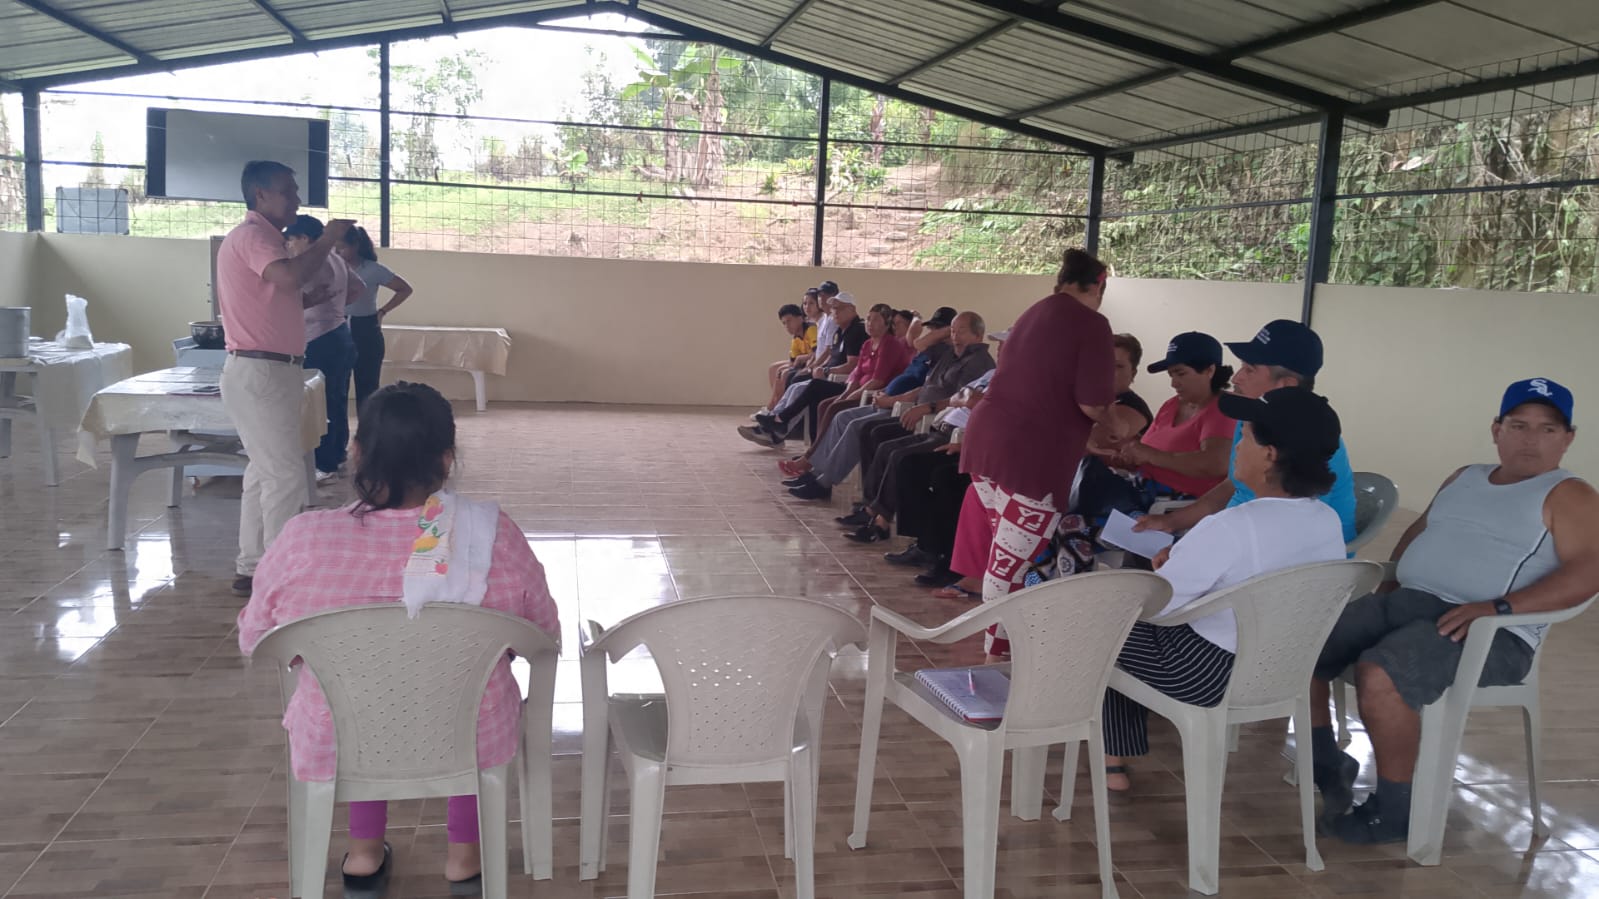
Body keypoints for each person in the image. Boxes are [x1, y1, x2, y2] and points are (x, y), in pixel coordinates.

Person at [237, 382, 561, 893]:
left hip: (340, 733)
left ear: (357, 451)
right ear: (447, 460)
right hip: (467, 731)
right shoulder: (494, 535)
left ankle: (364, 855)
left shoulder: (303, 539)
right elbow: (542, 635)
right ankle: (464, 859)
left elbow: (255, 637)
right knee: (467, 696)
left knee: (363, 697)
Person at [1309, 378, 1599, 845]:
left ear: (1568, 438)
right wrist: (1388, 588)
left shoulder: (1569, 494)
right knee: (1302, 637)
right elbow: (1421, 532)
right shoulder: (1465, 476)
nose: (1531, 439)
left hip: (1492, 630)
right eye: (1519, 425)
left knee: (1383, 672)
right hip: (1412, 600)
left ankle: (1396, 811)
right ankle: (1326, 761)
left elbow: (1589, 572)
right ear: (1496, 429)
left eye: (1547, 429)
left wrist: (1499, 606)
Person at [1102, 388, 1348, 791]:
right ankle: (1114, 755)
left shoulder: (1231, 525)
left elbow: (1156, 604)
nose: (1236, 447)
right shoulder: (1326, 520)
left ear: (1269, 455)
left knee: (1109, 627)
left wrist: (1170, 572)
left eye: (1245, 437)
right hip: (1283, 669)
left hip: (1206, 671)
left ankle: (1112, 757)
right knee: (1128, 628)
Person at [960, 248, 1116, 660]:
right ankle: (995, 658)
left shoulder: (1034, 312)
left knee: (1005, 556)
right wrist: (1116, 427)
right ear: (1098, 286)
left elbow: (1041, 391)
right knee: (1008, 565)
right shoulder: (1092, 323)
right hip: (1030, 457)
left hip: (988, 442)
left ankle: (1000, 652)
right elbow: (1092, 404)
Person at [217, 160, 352, 598]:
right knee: (285, 475)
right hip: (262, 370)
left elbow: (278, 293)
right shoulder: (253, 236)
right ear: (261, 195)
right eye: (288, 191)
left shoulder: (265, 239)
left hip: (269, 368)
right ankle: (279, 573)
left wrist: (306, 301)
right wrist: (328, 239)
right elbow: (289, 276)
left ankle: (254, 564)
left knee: (265, 472)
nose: (296, 199)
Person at [1135, 319, 1358, 543]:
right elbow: (1233, 486)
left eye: (1249, 370)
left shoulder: (1311, 439)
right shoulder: (1252, 419)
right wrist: (1171, 522)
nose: (1236, 377)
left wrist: (1203, 549)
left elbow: (1288, 533)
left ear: (1285, 385)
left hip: (1299, 557)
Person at [785, 311, 994, 502]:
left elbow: (955, 401)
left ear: (978, 335)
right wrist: (897, 397)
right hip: (904, 403)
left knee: (859, 427)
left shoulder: (977, 362)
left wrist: (905, 403)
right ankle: (818, 473)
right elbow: (924, 380)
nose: (954, 336)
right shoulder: (949, 354)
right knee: (842, 416)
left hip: (923, 414)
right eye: (952, 330)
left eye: (960, 331)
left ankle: (826, 483)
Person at [1108, 332, 1234, 502]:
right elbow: (1147, 450)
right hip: (1142, 491)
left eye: (1181, 374)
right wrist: (1131, 455)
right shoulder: (1171, 404)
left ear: (1209, 370)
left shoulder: (1223, 408)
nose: (1173, 383)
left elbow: (1215, 463)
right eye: (1171, 375)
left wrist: (1152, 456)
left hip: (1179, 506)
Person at [286, 215, 363, 481]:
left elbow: (292, 299)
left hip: (320, 338)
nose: (289, 246)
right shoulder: (336, 259)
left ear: (305, 238)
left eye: (291, 240)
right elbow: (358, 288)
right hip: (339, 333)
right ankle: (337, 454)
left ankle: (325, 463)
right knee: (336, 399)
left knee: (321, 404)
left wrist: (319, 308)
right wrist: (335, 308)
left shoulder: (310, 263)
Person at [739, 292, 867, 446]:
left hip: (840, 380)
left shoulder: (856, 331)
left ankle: (777, 426)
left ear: (852, 309)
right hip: (827, 375)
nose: (835, 312)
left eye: (839, 308)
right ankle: (773, 424)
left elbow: (852, 365)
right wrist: (820, 368)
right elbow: (830, 357)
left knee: (804, 386)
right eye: (833, 309)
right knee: (795, 386)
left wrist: (825, 371)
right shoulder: (840, 331)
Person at [336, 225, 414, 415]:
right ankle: (337, 433)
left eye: (342, 247)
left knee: (368, 386)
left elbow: (405, 289)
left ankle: (368, 430)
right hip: (336, 327)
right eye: (333, 248)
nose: (337, 252)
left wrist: (383, 311)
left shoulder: (373, 269)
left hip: (366, 329)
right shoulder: (330, 267)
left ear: (355, 245)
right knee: (337, 386)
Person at [760, 290, 822, 416]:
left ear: (800, 318)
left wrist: (801, 359)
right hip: (804, 363)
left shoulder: (810, 329)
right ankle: (774, 403)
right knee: (774, 368)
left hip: (813, 364)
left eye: (789, 321)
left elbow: (817, 353)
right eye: (784, 323)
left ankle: (775, 407)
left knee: (784, 372)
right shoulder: (796, 337)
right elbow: (793, 361)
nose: (787, 326)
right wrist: (798, 360)